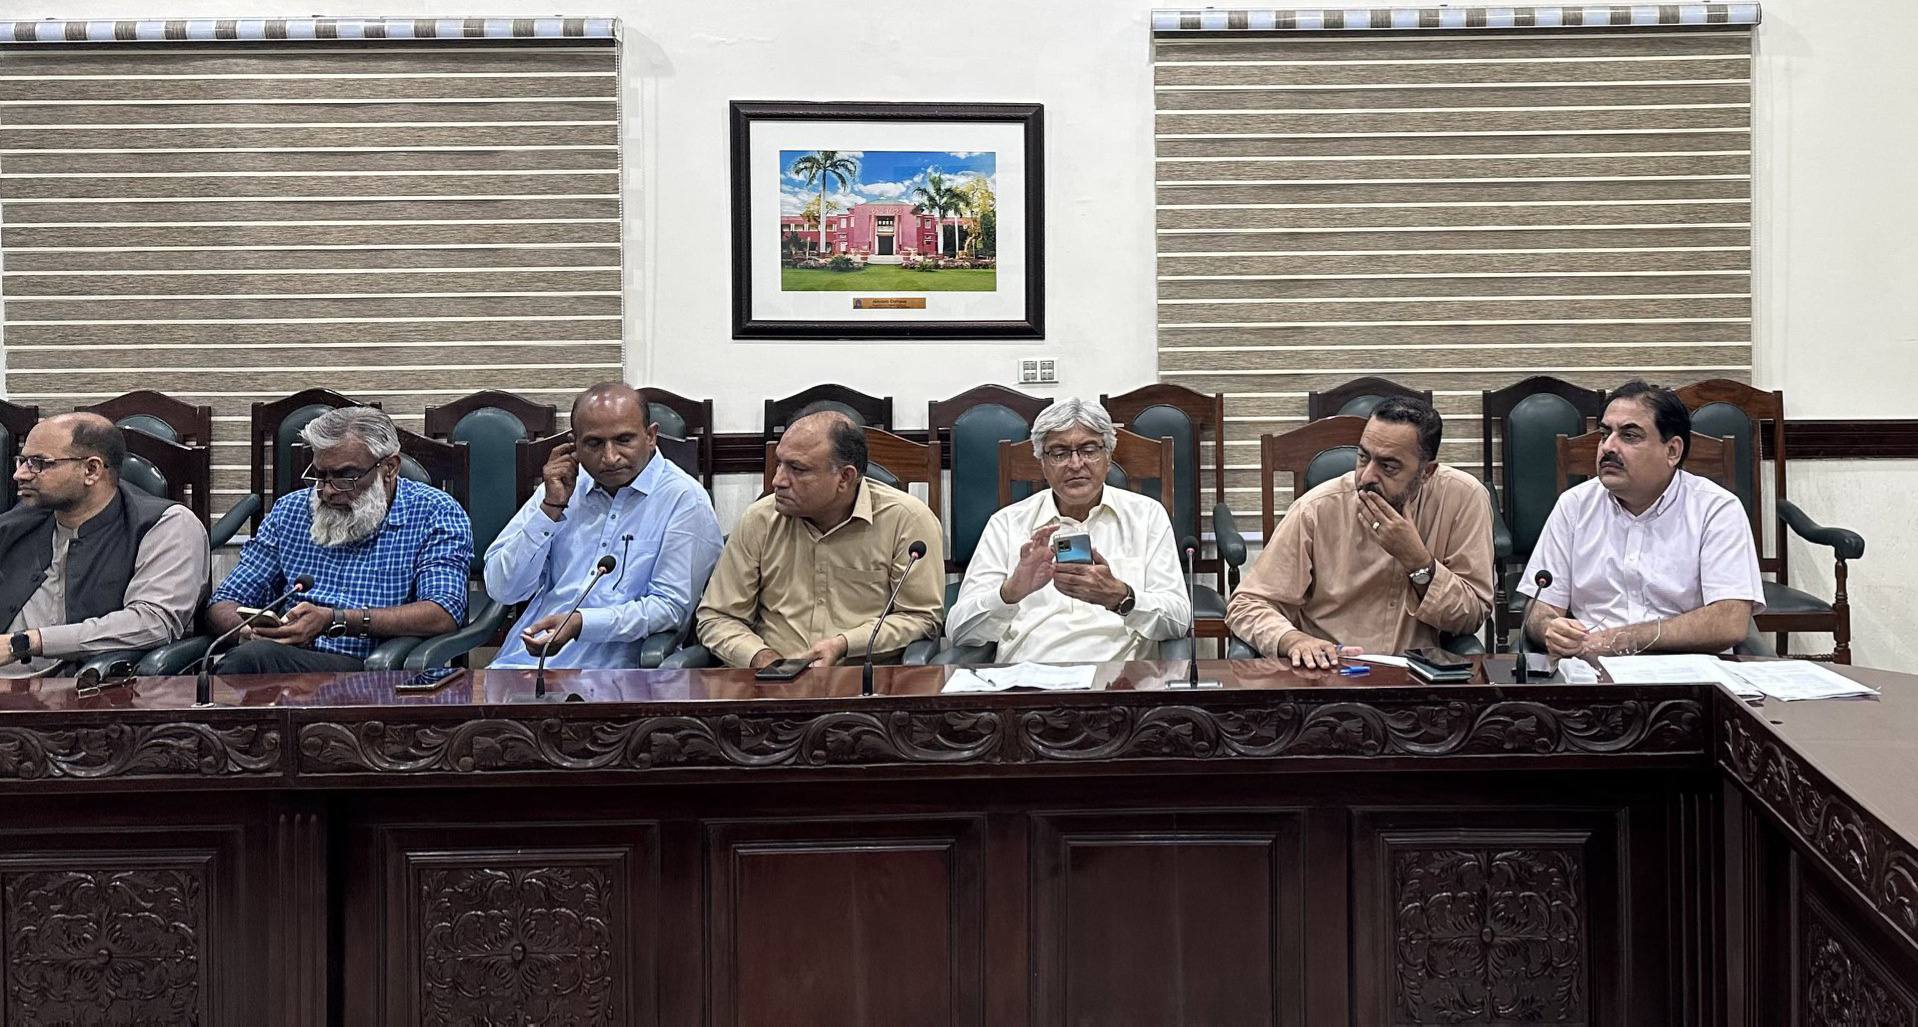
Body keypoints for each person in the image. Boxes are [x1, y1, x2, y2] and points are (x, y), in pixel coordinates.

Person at [1226, 397, 1494, 667]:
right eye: (1363, 457)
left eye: (1388, 467)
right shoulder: (1317, 508)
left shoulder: (1464, 498)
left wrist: (1417, 561)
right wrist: (1292, 639)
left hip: (1418, 675)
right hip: (1330, 671)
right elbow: (1247, 605)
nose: (1366, 477)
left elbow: (1471, 615)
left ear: (1426, 473)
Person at [208, 406, 472, 673]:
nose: (327, 491)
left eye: (345, 476)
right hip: (287, 656)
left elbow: (443, 613)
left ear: (389, 468)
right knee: (250, 657)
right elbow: (223, 602)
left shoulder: (434, 512)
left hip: (369, 667)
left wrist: (336, 620)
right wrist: (249, 631)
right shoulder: (290, 511)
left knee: (250, 661)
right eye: (320, 475)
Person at [485, 382, 723, 668]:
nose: (610, 457)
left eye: (624, 440)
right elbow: (502, 589)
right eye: (594, 444)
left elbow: (670, 608)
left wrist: (581, 623)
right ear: (575, 444)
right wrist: (550, 509)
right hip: (520, 664)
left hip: (613, 676)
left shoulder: (684, 499)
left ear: (650, 436)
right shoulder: (562, 487)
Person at [1520, 379, 1762, 658]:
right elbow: (1540, 608)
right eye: (1604, 434)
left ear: (1672, 451)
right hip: (1592, 666)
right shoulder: (1574, 506)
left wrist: (1619, 641)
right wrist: (1550, 628)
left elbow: (1729, 621)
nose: (1608, 447)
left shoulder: (1716, 509)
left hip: (1686, 666)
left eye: (1629, 436)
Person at [696, 408, 944, 669]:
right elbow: (717, 617)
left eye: (797, 469)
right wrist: (763, 658)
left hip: (860, 678)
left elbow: (920, 617)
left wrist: (844, 644)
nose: (777, 480)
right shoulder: (759, 520)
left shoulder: (907, 520)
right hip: (767, 680)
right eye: (780, 464)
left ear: (844, 478)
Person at [947, 398, 1189, 661]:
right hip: (1027, 674)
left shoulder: (1147, 516)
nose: (1075, 464)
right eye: (1059, 453)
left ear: (1108, 456)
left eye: (1089, 450)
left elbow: (1177, 619)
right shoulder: (1007, 523)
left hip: (1118, 676)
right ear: (1042, 462)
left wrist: (1120, 596)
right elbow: (958, 630)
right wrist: (1010, 592)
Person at [0, 412, 209, 677]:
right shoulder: (20, 521)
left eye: (38, 463)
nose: (19, 474)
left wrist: (24, 643)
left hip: (79, 689)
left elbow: (151, 623)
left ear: (91, 470)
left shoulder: (167, 525)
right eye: (22, 461)